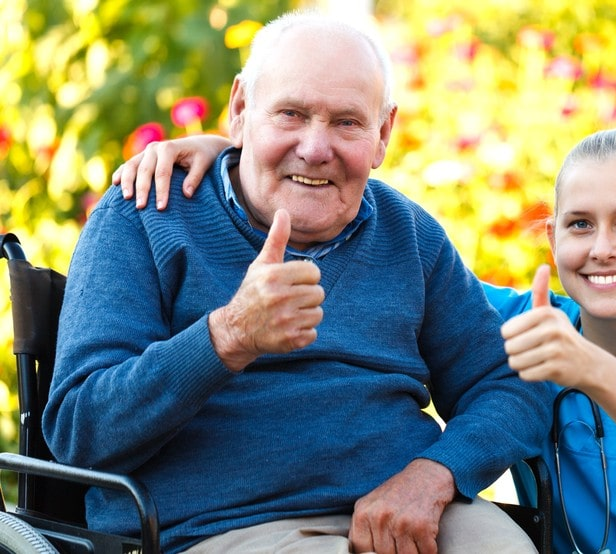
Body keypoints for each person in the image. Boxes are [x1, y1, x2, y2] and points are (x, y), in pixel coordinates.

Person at [118, 128, 616, 552]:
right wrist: (231, 155)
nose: (602, 249)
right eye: (580, 225)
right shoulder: (519, 319)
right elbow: (408, 276)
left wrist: (589, 368)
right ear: (551, 238)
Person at [44, 10, 553, 554]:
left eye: (347, 122)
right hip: (219, 528)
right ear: (241, 110)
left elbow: (508, 383)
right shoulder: (147, 215)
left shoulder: (408, 235)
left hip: (404, 511)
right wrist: (227, 337)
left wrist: (435, 473)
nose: (315, 148)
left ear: (382, 135)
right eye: (290, 113)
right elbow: (80, 432)